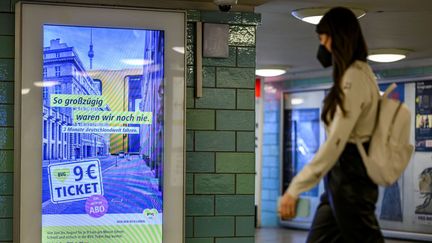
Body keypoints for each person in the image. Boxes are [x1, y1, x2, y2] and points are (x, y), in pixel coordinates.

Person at [278, 7, 384, 243]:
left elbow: (336, 142)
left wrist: (295, 188)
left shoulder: (355, 76)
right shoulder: (356, 74)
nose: (322, 45)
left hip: (350, 182)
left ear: (337, 36)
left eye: (323, 37)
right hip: (339, 182)